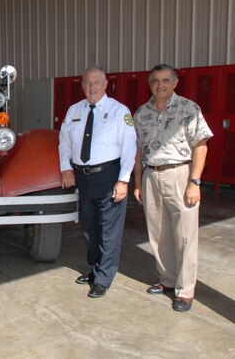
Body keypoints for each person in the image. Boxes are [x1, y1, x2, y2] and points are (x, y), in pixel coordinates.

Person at [133, 64, 213, 312]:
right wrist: (137, 182)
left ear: (175, 83)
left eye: (166, 80)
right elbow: (136, 151)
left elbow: (200, 145)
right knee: (158, 233)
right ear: (150, 84)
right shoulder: (141, 113)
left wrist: (194, 181)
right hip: (151, 175)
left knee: (185, 235)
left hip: (180, 174)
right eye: (155, 81)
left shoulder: (189, 108)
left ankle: (185, 290)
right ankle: (166, 279)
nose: (160, 85)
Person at [59, 66, 136, 298]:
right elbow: (64, 142)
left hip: (108, 177)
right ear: (82, 85)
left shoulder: (119, 111)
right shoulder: (74, 110)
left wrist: (123, 181)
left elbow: (129, 149)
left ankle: (104, 277)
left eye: (96, 83)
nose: (91, 88)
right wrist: (66, 168)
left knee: (109, 231)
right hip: (82, 177)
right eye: (87, 83)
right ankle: (94, 269)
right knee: (89, 228)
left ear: (105, 85)